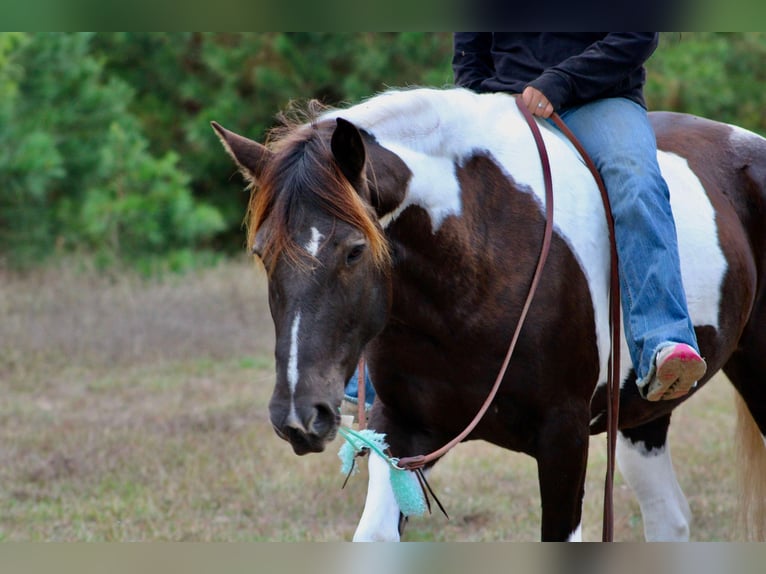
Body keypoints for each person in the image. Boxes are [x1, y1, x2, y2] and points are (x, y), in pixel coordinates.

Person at [452, 32, 706, 401]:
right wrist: (476, 98)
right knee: (429, 188)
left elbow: (636, 34)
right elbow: (470, 45)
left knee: (636, 182)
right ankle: (370, 379)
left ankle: (663, 340)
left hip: (600, 100)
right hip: (504, 103)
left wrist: (559, 82)